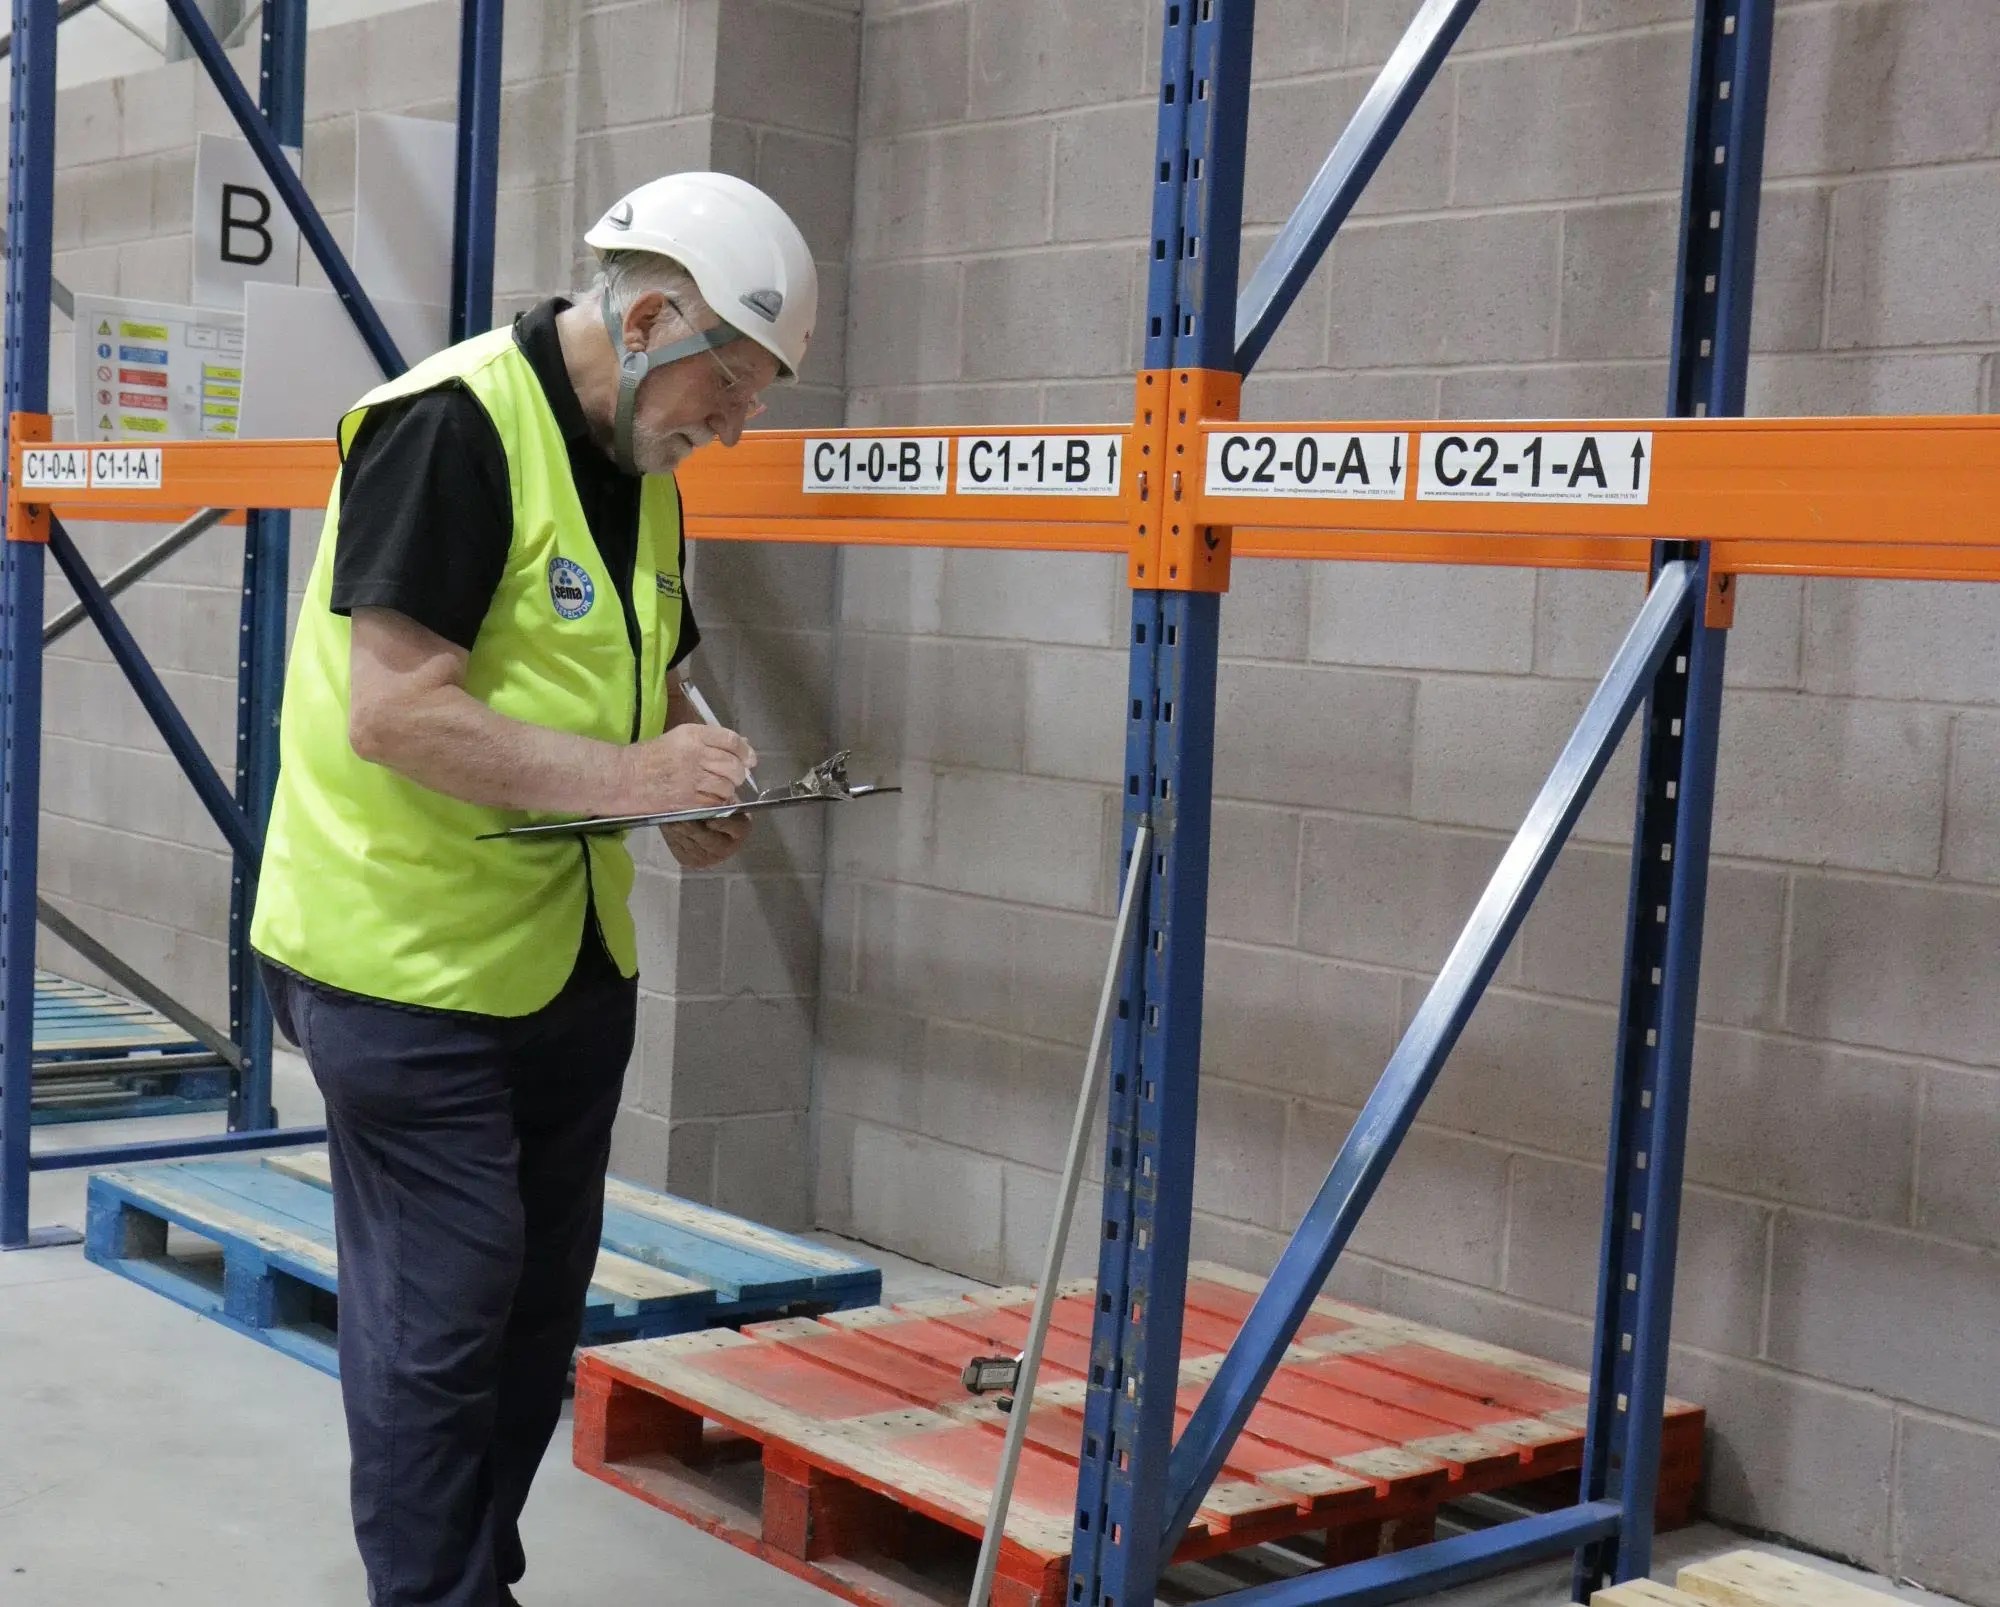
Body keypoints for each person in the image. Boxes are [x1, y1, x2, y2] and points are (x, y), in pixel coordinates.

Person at [247, 170, 817, 1606]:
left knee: (523, 1327)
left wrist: (691, 763)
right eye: (729, 389)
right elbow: (395, 714)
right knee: (443, 1323)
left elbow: (652, 665)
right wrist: (633, 787)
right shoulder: (450, 429)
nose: (733, 427)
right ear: (643, 321)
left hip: (564, 965)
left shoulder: (641, 470)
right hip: (399, 962)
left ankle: (468, 1580)